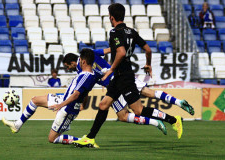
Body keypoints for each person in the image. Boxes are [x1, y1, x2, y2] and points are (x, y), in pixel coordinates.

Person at [73, 3, 185, 148]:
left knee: (138, 110)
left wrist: (111, 69)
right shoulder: (131, 32)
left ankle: (174, 120)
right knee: (103, 104)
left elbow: (121, 53)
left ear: (111, 17)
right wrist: (148, 64)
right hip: (120, 76)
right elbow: (148, 50)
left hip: (124, 76)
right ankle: (90, 138)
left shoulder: (114, 32)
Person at [2, 49, 97, 145]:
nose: (78, 62)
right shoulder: (85, 74)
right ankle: (17, 125)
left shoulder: (85, 75)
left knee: (52, 139)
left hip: (68, 106)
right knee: (35, 100)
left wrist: (61, 105)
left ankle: (84, 141)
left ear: (83, 61)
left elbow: (77, 94)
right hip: (65, 99)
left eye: (80, 60)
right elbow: (84, 92)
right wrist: (82, 104)